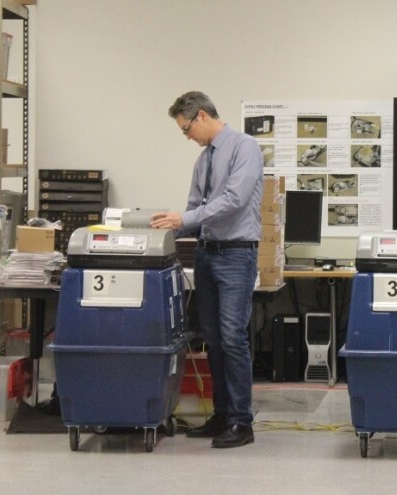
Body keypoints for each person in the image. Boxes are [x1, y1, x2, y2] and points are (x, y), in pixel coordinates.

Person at [151, 91, 263, 448]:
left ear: (201, 116)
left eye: (186, 129)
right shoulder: (203, 161)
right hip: (206, 254)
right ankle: (221, 415)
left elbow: (233, 201)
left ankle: (241, 422)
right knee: (212, 340)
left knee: (232, 338)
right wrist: (165, 226)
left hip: (235, 255)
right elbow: (194, 211)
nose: (187, 137)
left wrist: (185, 218)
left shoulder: (245, 148)